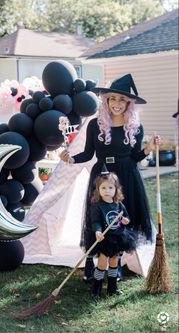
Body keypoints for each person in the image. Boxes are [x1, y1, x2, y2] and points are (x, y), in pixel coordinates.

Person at [59, 73, 160, 281]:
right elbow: (88, 154)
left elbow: (134, 158)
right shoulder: (96, 124)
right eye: (112, 98)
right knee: (97, 217)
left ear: (128, 103)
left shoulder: (135, 127)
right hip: (102, 176)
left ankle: (117, 265)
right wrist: (70, 159)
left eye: (122, 99)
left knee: (121, 221)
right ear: (106, 100)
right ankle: (91, 263)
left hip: (127, 176)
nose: (116, 103)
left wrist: (148, 149)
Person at [90, 167, 136, 299]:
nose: (107, 191)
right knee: (102, 263)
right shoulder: (97, 206)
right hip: (104, 239)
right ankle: (96, 289)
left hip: (118, 238)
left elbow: (126, 218)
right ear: (98, 189)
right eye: (103, 188)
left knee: (114, 262)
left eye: (110, 188)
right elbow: (96, 222)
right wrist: (98, 231)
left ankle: (112, 287)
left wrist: (126, 220)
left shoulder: (118, 204)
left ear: (116, 189)